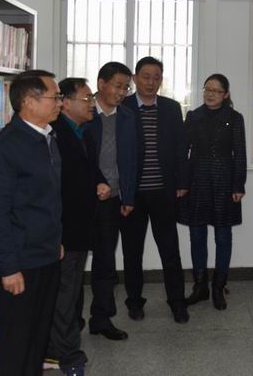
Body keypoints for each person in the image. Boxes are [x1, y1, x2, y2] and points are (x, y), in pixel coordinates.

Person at [0, 70, 64, 375]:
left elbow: (47, 200)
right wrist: (8, 268)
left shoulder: (47, 139)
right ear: (29, 101)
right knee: (16, 342)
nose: (60, 102)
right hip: (20, 263)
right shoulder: (4, 149)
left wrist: (55, 241)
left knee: (38, 337)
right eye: (55, 97)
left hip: (47, 255)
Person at [45, 78, 111, 376]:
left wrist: (100, 182)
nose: (92, 104)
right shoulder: (55, 134)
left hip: (82, 225)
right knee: (65, 293)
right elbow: (57, 185)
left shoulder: (83, 131)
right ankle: (67, 353)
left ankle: (60, 345)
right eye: (86, 99)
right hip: (66, 228)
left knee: (71, 291)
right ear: (66, 102)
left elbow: (89, 168)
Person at [120, 56, 190, 324]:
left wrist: (182, 182)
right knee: (132, 252)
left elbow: (181, 147)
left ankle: (177, 302)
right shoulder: (124, 106)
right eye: (146, 77)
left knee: (170, 251)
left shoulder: (171, 108)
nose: (151, 82)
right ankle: (134, 301)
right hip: (132, 194)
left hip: (164, 192)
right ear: (135, 78)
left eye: (156, 78)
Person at [180, 74, 247, 310]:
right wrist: (182, 182)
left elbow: (240, 153)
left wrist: (238, 185)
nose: (210, 94)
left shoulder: (235, 118)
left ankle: (219, 286)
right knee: (196, 235)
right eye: (207, 89)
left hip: (224, 182)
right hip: (197, 181)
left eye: (216, 91)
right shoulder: (193, 116)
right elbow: (184, 152)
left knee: (223, 237)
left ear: (226, 94)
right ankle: (200, 287)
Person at [85, 62, 137, 340]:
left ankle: (101, 318)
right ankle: (70, 321)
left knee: (106, 261)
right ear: (101, 83)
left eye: (126, 87)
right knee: (73, 262)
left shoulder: (127, 116)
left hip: (113, 199)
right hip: (82, 200)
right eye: (117, 86)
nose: (122, 92)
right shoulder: (84, 112)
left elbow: (131, 160)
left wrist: (128, 195)